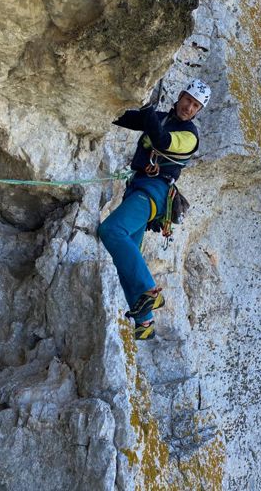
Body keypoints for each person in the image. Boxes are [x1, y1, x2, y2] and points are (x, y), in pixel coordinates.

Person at [98, 79, 211, 340]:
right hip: (138, 189)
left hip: (154, 192)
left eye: (195, 105)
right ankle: (144, 321)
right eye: (188, 100)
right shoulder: (160, 119)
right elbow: (129, 119)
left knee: (111, 230)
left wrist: (148, 106)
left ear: (197, 111)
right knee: (124, 257)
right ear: (180, 96)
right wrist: (103, 109)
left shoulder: (189, 136)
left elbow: (161, 141)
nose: (189, 107)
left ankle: (148, 289)